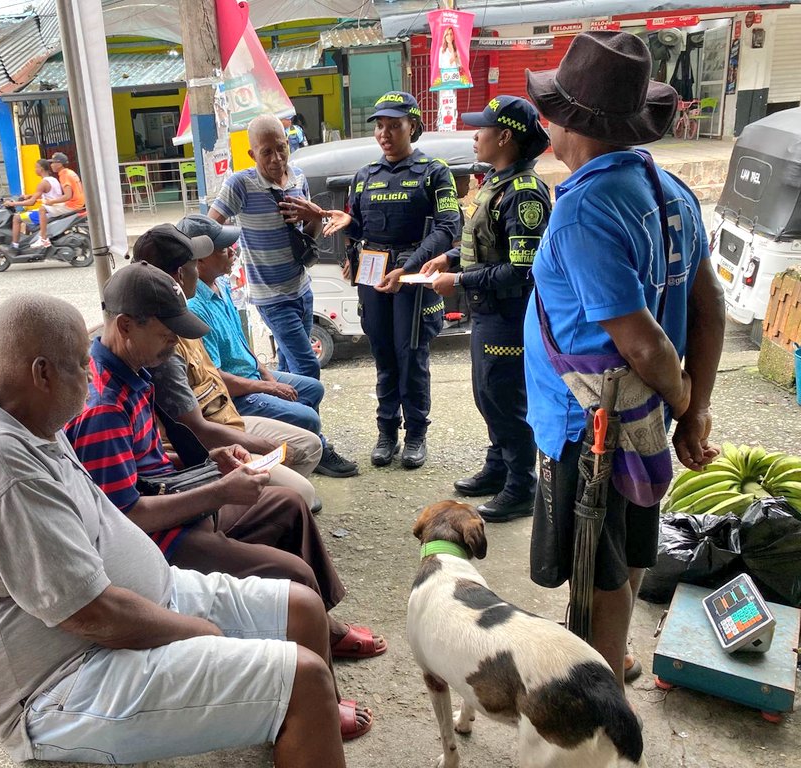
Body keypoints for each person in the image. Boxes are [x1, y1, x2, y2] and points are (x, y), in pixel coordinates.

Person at [0, 293, 349, 766]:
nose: (91, 376)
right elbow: (93, 615)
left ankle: (296, 725)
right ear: (42, 374)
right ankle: (299, 712)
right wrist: (199, 632)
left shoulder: (30, 416)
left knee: (303, 608)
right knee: (304, 679)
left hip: (139, 603)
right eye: (82, 365)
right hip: (56, 682)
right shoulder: (2, 467)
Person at [65, 262, 384, 735]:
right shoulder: (104, 406)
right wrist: (218, 490)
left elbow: (147, 466)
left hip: (174, 502)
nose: (174, 343)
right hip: (156, 544)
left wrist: (209, 461)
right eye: (166, 333)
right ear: (127, 326)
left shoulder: (134, 371)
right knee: (293, 575)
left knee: (289, 506)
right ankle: (317, 703)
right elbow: (124, 517)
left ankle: (321, 630)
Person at [523, 31, 725, 691]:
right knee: (628, 545)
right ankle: (615, 651)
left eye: (551, 111)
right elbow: (708, 303)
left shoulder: (583, 211)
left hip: (592, 431)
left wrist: (689, 405)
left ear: (569, 124)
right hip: (642, 420)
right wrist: (692, 410)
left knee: (598, 568)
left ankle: (602, 696)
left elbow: (645, 344)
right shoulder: (669, 188)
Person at [283, 91, 461, 469]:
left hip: (414, 275)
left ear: (413, 127)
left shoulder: (434, 172)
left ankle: (416, 435)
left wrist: (409, 267)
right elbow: (361, 228)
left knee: (411, 356)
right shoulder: (364, 176)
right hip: (374, 272)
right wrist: (349, 228)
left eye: (394, 126)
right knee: (382, 354)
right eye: (380, 126)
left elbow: (448, 228)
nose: (384, 133)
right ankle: (386, 433)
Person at [422, 96, 552, 522]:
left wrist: (458, 282)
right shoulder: (496, 182)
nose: (475, 136)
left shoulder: (525, 193)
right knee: (487, 394)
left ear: (506, 136)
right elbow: (485, 244)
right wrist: (450, 259)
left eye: (482, 129)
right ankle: (498, 468)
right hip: (488, 312)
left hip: (509, 316)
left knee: (505, 398)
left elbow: (521, 269)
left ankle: (521, 487)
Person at [135, 220, 325, 509]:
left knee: (309, 443)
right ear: (179, 275)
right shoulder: (166, 339)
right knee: (302, 492)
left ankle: (268, 505)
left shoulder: (192, 308)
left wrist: (266, 378)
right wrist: (266, 445)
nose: (198, 269)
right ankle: (264, 509)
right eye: (193, 262)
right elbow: (197, 430)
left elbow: (230, 356)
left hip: (228, 417)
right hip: (212, 437)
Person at [184, 220, 358, 479]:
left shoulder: (222, 285)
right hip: (234, 395)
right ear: (200, 261)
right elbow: (216, 379)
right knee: (308, 417)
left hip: (250, 376)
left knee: (313, 388)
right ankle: (307, 452)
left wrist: (267, 376)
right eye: (222, 249)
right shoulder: (196, 307)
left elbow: (242, 343)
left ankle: (309, 446)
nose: (232, 252)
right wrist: (267, 388)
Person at [208, 114, 323, 380]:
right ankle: (305, 409)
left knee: (288, 366)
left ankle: (280, 405)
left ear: (288, 144)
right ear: (252, 154)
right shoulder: (240, 185)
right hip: (271, 297)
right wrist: (221, 256)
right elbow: (209, 226)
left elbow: (308, 238)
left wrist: (315, 218)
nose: (276, 158)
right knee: (308, 367)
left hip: (302, 289)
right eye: (266, 152)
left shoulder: (298, 178)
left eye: (281, 148)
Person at [2, 158, 64, 251]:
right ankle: (28, 244)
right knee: (27, 216)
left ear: (41, 169)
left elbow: (31, 202)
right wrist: (29, 196)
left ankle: (14, 246)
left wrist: (13, 204)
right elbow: (47, 194)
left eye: (36, 167)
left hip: (48, 212)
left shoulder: (43, 183)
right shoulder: (53, 180)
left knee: (17, 218)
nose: (35, 170)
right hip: (54, 210)